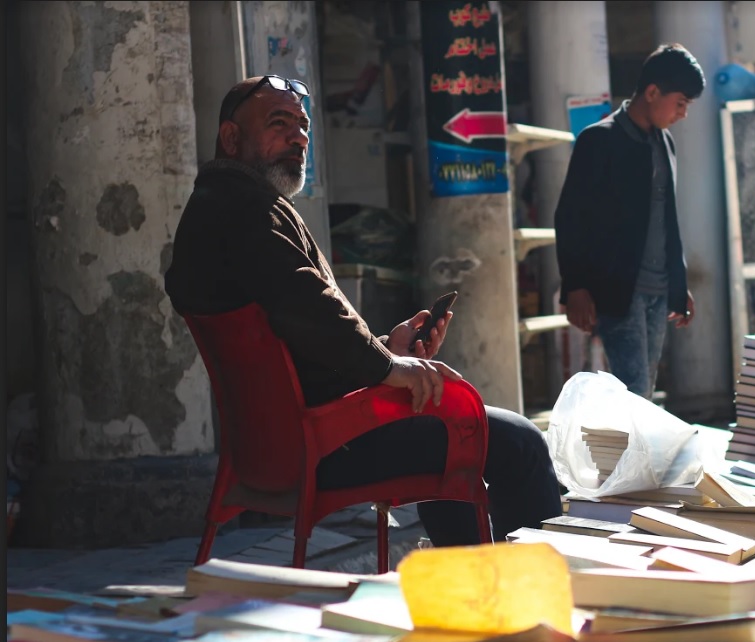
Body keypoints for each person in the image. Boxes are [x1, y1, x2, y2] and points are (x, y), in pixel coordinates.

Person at [165, 76, 561, 547]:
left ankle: (470, 588)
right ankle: (539, 595)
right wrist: (388, 366)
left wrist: (383, 351)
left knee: (445, 415)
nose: (298, 138)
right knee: (520, 443)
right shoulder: (246, 209)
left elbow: (300, 329)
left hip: (283, 446)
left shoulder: (222, 204)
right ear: (231, 138)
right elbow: (304, 308)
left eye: (303, 127)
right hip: (325, 444)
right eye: (279, 123)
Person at [555, 44, 705, 399]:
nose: (683, 114)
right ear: (652, 92)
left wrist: (677, 281)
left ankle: (630, 454)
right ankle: (632, 456)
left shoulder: (665, 142)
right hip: (617, 291)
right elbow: (570, 215)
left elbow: (666, 216)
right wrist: (574, 286)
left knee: (643, 392)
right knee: (635, 391)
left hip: (658, 289)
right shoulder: (599, 139)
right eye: (680, 103)